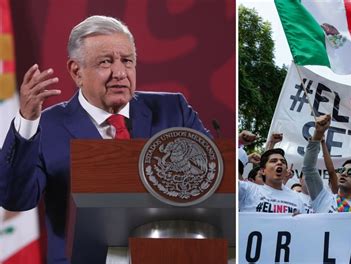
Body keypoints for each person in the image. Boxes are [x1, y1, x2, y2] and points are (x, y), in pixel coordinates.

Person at [0, 16, 209, 263]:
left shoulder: (173, 109)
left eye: (127, 61)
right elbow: (16, 199)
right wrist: (26, 123)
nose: (119, 72)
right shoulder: (46, 127)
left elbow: (214, 178)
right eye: (105, 62)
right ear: (76, 71)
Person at [304, 114, 351, 213]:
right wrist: (318, 134)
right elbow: (308, 168)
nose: (344, 173)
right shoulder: (322, 198)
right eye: (341, 170)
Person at [239, 148, 304, 213]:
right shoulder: (248, 190)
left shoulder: (297, 198)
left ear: (286, 171)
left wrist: (298, 219)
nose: (279, 163)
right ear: (263, 171)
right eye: (273, 161)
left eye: (283, 162)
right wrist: (245, 159)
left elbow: (302, 221)